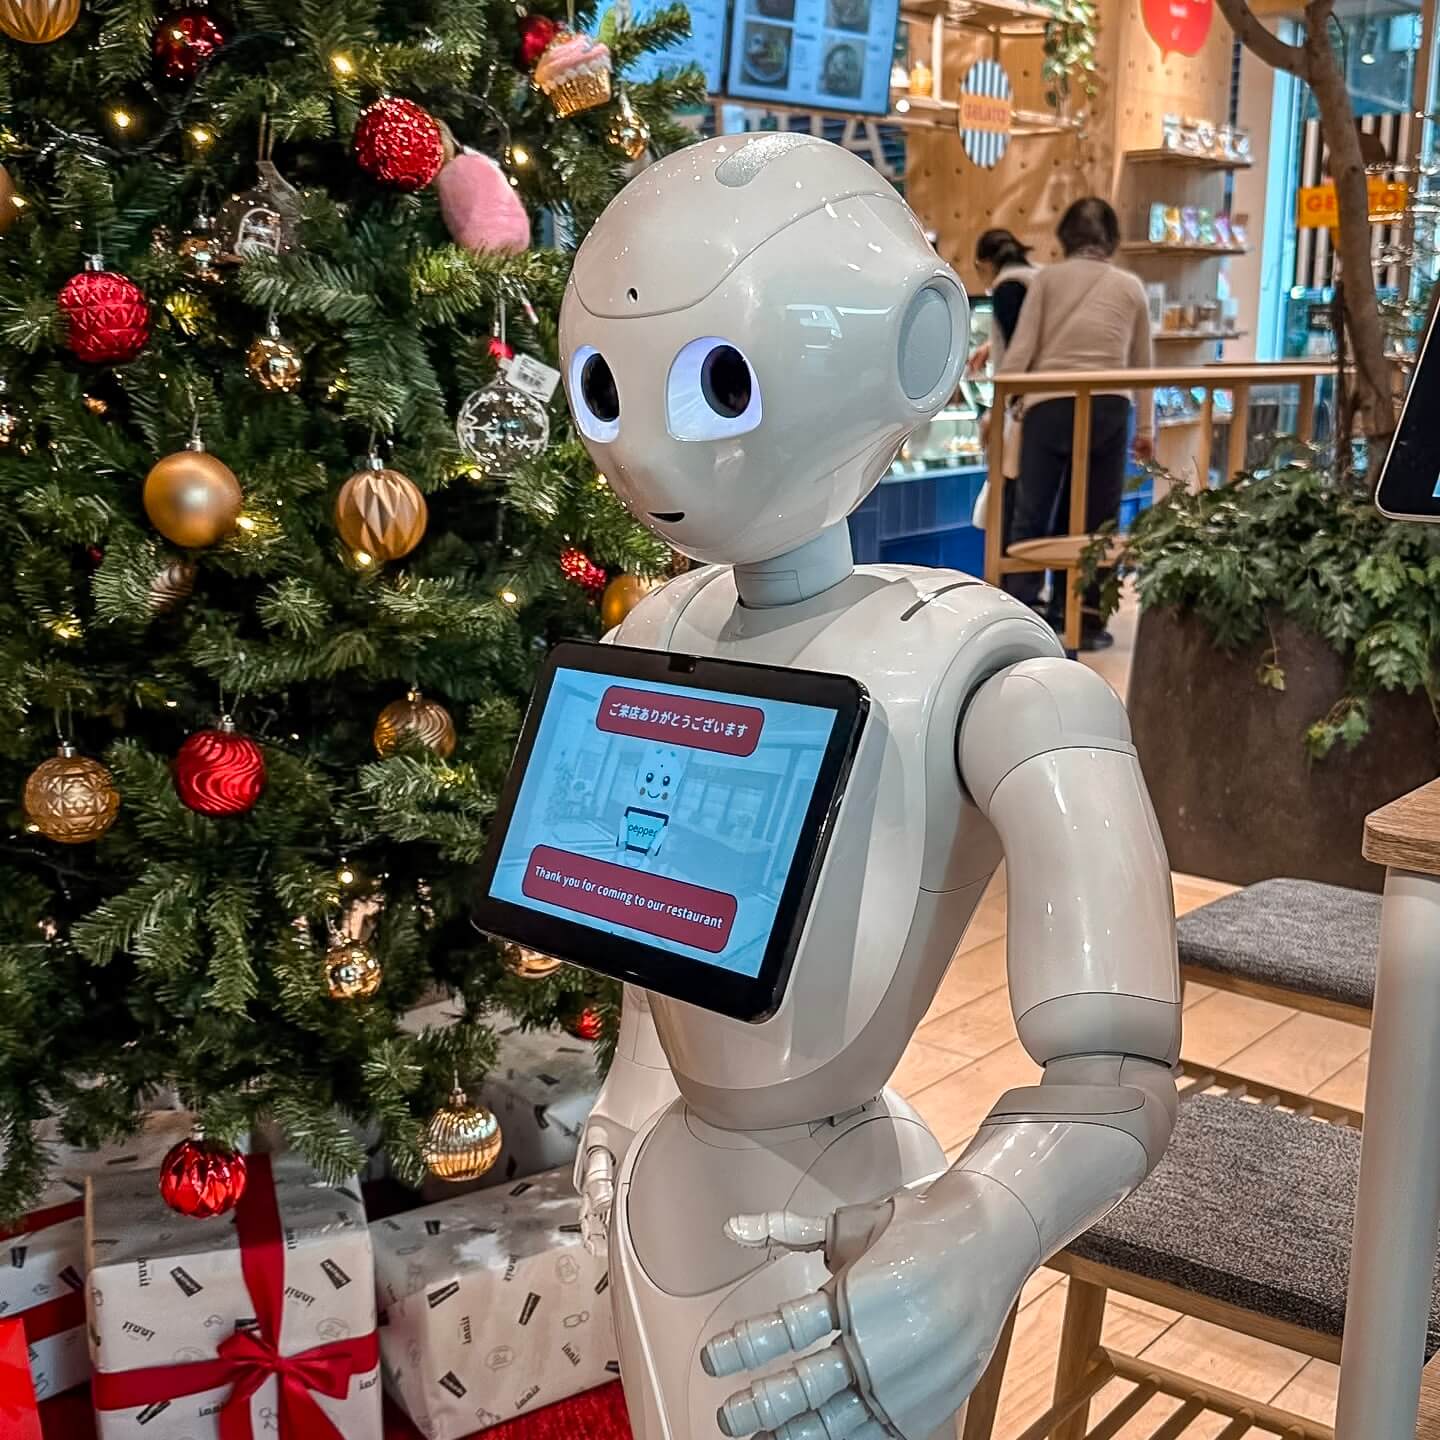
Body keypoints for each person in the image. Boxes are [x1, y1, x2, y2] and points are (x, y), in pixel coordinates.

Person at [997, 196, 1154, 650]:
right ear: (1111, 239)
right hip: (1108, 406)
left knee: (1033, 513)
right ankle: (1086, 618)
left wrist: (1005, 401)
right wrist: (1145, 430)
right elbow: (1144, 365)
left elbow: (1022, 349)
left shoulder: (1048, 280)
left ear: (1066, 236)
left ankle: (1021, 614)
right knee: (1096, 520)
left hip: (1049, 405)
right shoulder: (1130, 287)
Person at [968, 229, 1037, 529]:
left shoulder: (1008, 287)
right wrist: (990, 348)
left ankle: (1008, 573)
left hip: (1027, 409)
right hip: (1054, 404)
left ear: (984, 264)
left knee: (1013, 514)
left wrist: (996, 414)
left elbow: (1022, 352)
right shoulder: (1037, 278)